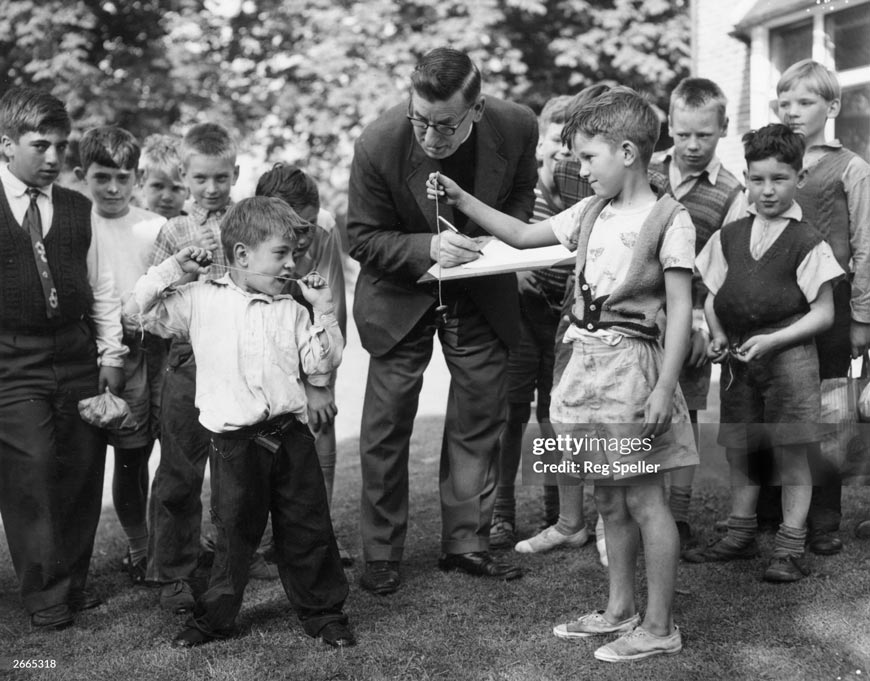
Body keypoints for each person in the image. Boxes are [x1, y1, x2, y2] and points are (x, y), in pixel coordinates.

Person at [429, 86, 698, 662]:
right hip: (584, 367)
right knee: (607, 497)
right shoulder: (591, 211)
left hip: (633, 371)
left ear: (627, 151)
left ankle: (659, 626)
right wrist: (461, 198)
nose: (578, 167)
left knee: (647, 499)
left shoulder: (670, 219)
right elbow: (525, 235)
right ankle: (619, 609)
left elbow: (679, 311)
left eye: (588, 156)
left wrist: (663, 387)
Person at [347, 46, 537, 594]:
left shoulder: (519, 126)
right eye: (420, 121)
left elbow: (522, 192)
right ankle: (381, 553)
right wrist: (428, 246)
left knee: (479, 418)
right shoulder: (378, 142)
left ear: (476, 110)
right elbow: (361, 236)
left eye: (444, 125)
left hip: (481, 288)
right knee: (386, 429)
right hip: (400, 293)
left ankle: (467, 544)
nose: (430, 138)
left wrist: (495, 239)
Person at [125, 196, 354, 649]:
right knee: (233, 534)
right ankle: (214, 619)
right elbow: (134, 312)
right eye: (281, 254)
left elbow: (322, 369)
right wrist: (174, 267)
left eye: (295, 254)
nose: (291, 264)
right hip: (233, 443)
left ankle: (323, 612)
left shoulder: (292, 309)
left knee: (307, 526)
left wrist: (324, 307)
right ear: (242, 255)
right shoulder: (200, 300)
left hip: (291, 437)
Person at [685, 123, 842, 582]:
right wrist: (714, 330)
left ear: (800, 178)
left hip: (789, 357)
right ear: (746, 177)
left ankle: (790, 548)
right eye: (757, 180)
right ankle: (741, 534)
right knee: (744, 447)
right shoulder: (731, 235)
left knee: (793, 450)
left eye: (779, 179)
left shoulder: (807, 239)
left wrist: (776, 339)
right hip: (738, 359)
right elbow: (713, 293)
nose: (767, 190)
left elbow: (824, 313)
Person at [725, 60, 870, 555]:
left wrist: (862, 317)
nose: (793, 112)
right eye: (784, 103)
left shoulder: (849, 167)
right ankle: (768, 511)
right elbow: (738, 226)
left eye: (804, 102)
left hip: (829, 307)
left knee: (826, 413)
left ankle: (822, 519)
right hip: (771, 310)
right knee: (770, 409)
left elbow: (866, 244)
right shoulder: (770, 163)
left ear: (832, 107)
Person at [0, 86, 126, 630]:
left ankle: (73, 583)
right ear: (6, 145)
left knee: (79, 470)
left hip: (77, 356)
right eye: (39, 145)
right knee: (29, 472)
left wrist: (110, 354)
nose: (54, 158)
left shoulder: (78, 208)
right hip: (11, 359)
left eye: (60, 146)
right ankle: (45, 595)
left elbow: (101, 288)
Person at [145, 122, 251, 612]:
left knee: (236, 467)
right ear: (184, 176)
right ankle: (173, 572)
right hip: (188, 358)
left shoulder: (247, 223)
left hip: (239, 357)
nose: (211, 189)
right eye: (201, 179)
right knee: (181, 469)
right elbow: (154, 303)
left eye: (221, 179)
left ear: (235, 173)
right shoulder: (173, 230)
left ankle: (228, 562)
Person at [505, 85, 612, 555]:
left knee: (585, 419)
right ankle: (526, 515)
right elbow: (520, 235)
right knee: (534, 414)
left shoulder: (601, 187)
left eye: (576, 147)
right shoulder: (542, 184)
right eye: (558, 142)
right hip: (540, 314)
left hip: (594, 319)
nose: (566, 155)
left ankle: (587, 518)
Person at [647, 77, 743, 550]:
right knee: (635, 410)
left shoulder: (731, 192)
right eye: (682, 133)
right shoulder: (646, 172)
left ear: (723, 128)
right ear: (670, 124)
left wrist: (705, 324)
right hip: (640, 319)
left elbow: (722, 269)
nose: (691, 144)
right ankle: (637, 505)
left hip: (694, 321)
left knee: (685, 415)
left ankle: (679, 516)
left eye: (703, 135)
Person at [75, 126, 166, 584]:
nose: (113, 188)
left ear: (137, 177)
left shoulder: (153, 226)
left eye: (123, 177)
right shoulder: (75, 221)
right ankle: (129, 545)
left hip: (149, 353)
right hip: (90, 356)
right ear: (82, 175)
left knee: (137, 455)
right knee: (87, 460)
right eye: (101, 177)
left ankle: (147, 546)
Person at [254, 164, 351, 562]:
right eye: (297, 229)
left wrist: (319, 383)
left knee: (320, 424)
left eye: (310, 225)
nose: (306, 235)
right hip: (263, 352)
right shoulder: (248, 233)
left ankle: (316, 537)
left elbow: (331, 309)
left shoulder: (323, 229)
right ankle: (262, 544)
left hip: (312, 347)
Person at [139, 134, 188, 220]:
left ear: (189, 191)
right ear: (142, 185)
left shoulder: (197, 230)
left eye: (176, 188)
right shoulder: (132, 228)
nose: (167, 197)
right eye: (157, 186)